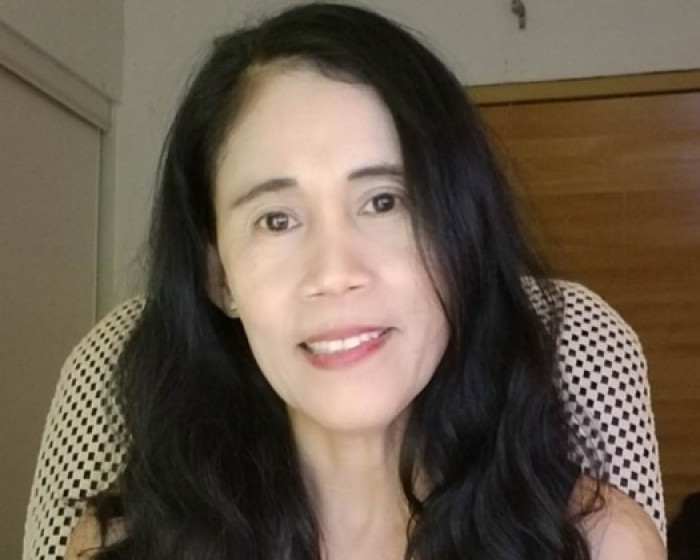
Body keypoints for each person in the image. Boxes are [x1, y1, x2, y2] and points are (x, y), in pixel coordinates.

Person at [64, 3, 665, 559]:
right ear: (219, 278)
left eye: (384, 201)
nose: (335, 273)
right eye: (276, 220)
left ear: (462, 236)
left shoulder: (600, 545)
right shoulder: (120, 545)